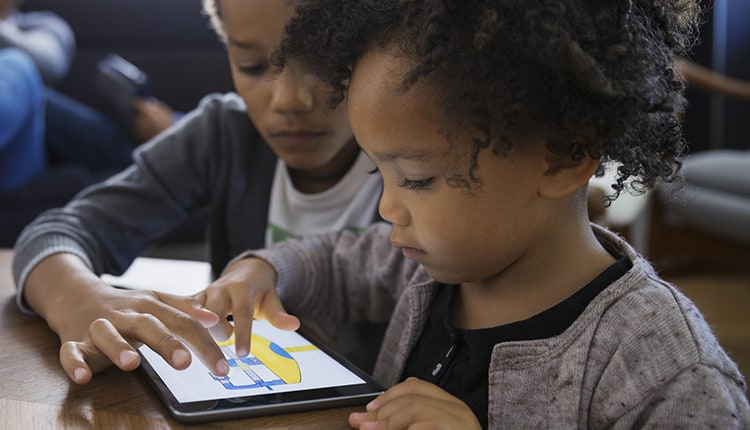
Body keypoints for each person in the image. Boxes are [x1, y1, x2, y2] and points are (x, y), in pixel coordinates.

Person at [196, 0, 746, 428]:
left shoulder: (665, 369)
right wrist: (261, 272)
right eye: (377, 173)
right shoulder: (427, 267)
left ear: (562, 157)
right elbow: (332, 262)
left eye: (416, 178)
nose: (388, 207)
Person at [12, 0, 382, 384]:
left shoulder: (422, 164)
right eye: (252, 66)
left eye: (326, 63)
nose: (287, 100)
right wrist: (80, 298)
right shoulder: (223, 134)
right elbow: (54, 233)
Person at [0, 0, 176, 246]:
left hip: (17, 161)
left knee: (18, 66)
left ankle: (173, 139)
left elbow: (47, 62)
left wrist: (170, 134)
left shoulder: (42, 25)